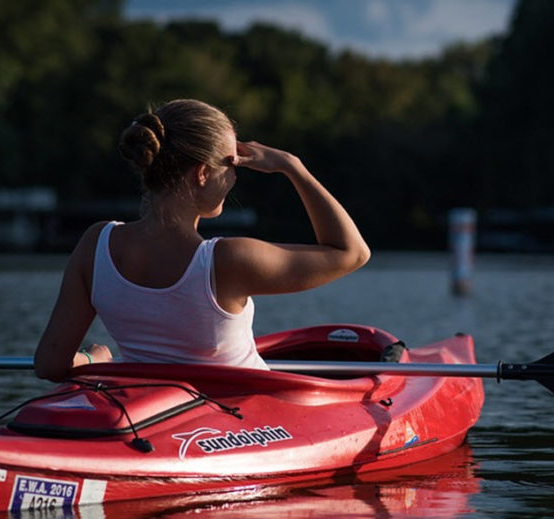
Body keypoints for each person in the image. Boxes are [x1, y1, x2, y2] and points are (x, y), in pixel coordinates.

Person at [34, 99, 370, 381]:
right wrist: (293, 167)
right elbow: (352, 252)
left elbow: (50, 364)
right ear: (203, 173)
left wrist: (96, 363)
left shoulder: (96, 244)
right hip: (241, 426)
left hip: (156, 419)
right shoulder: (228, 259)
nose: (236, 175)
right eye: (232, 163)